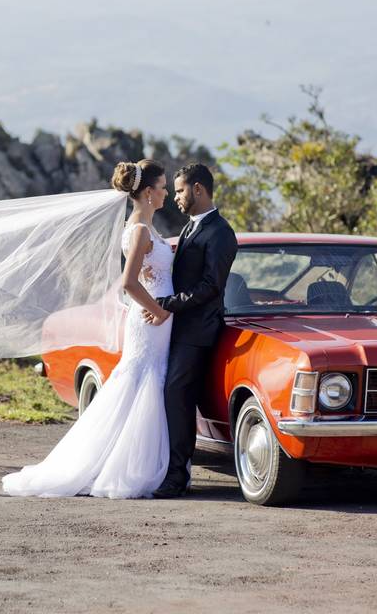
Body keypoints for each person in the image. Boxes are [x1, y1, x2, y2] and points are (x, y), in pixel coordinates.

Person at [2, 159, 175, 498]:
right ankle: (126, 466)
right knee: (143, 384)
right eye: (164, 187)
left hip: (154, 320)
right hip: (152, 320)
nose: (167, 192)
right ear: (150, 192)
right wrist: (161, 312)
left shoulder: (144, 227)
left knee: (141, 385)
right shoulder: (140, 230)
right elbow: (129, 284)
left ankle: (121, 458)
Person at [143, 163, 238, 499]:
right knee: (170, 396)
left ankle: (177, 474)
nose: (176, 198)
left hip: (199, 333)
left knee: (176, 396)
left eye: (180, 191)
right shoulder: (190, 228)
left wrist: (168, 304)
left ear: (198, 189)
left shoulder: (221, 233)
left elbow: (211, 286)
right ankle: (170, 469)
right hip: (176, 329)